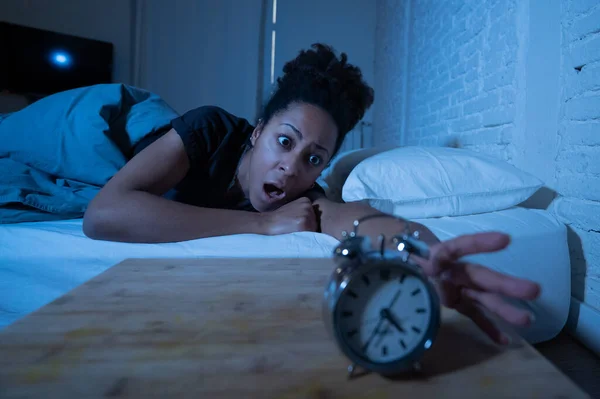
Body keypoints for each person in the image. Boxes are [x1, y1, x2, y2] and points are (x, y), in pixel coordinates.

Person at [83, 43, 540, 346]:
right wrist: (257, 223)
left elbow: (357, 219)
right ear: (258, 131)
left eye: (314, 158)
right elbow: (104, 213)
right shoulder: (209, 130)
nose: (292, 167)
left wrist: (425, 250)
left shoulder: (303, 196)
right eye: (284, 141)